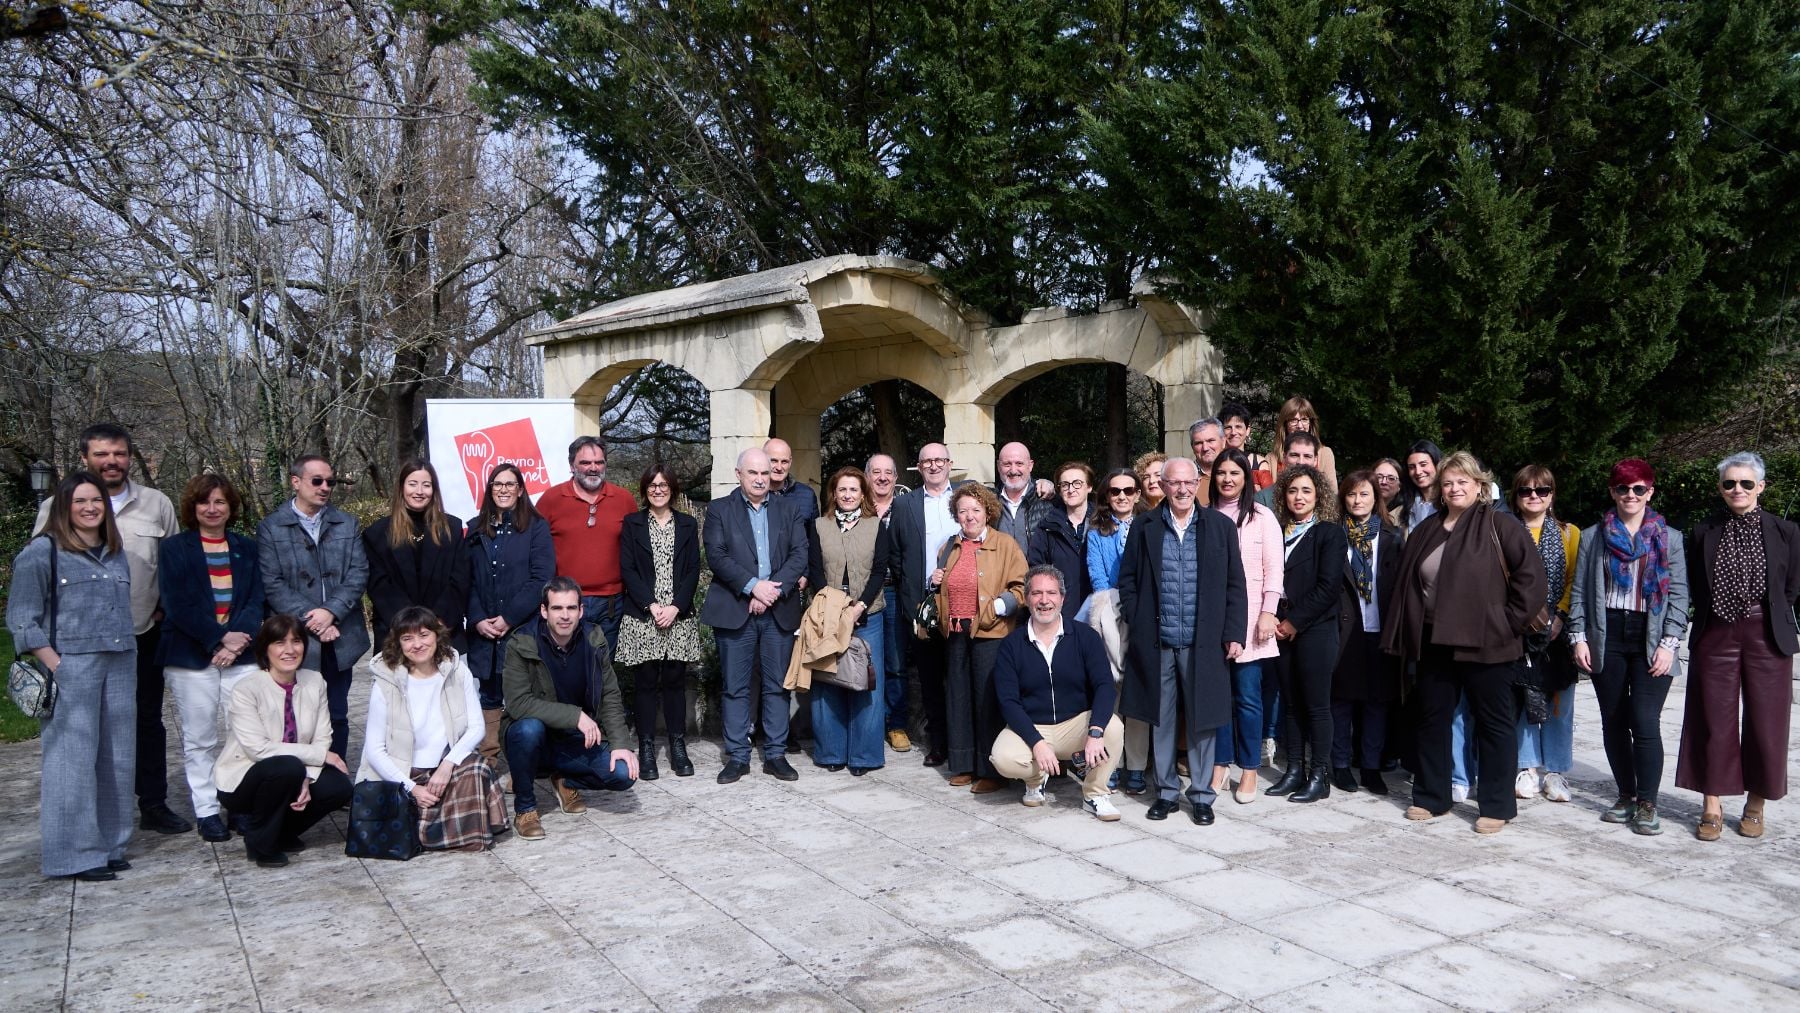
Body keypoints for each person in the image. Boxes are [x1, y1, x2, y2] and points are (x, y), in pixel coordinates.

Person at [34, 424, 186, 835]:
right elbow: (41, 572)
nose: (111, 461)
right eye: (101, 454)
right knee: (84, 729)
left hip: (141, 633)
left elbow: (174, 564)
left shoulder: (156, 504)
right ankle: (90, 815)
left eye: (119, 453)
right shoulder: (55, 508)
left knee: (146, 721)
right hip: (79, 643)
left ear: (129, 457)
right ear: (85, 458)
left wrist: (163, 610)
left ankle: (152, 803)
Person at [1383, 451, 1545, 834]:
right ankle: (1432, 796)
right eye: (1448, 483)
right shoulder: (1427, 529)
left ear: (1479, 485)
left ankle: (1496, 805)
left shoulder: (1500, 525)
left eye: (1463, 482)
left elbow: (1531, 580)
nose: (1455, 488)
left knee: (1494, 724)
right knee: (1432, 719)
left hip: (1488, 643)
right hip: (1434, 641)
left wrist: (1506, 623)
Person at [10, 473, 139, 880]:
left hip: (120, 661)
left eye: (96, 500)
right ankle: (73, 855)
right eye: (79, 501)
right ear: (63, 507)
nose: (89, 508)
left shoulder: (115, 551)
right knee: (72, 761)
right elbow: (22, 619)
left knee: (118, 758)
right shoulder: (42, 551)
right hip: (72, 665)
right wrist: (56, 665)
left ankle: (110, 845)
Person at [1117, 457, 1247, 826]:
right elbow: (1128, 580)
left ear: (1198, 484)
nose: (1182, 489)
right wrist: (1137, 617)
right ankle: (1167, 793)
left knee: (1203, 719)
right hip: (1157, 641)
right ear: (1163, 485)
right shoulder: (1144, 526)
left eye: (1188, 482)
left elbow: (1235, 584)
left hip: (1203, 642)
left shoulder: (1220, 527)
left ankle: (1202, 796)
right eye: (1174, 483)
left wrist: (1234, 633)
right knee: (1161, 719)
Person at [1676, 451, 1797, 841]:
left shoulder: (1786, 532)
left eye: (1746, 483)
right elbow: (1697, 583)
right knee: (1713, 719)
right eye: (1729, 483)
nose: (1737, 489)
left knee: (1767, 722)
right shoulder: (1703, 531)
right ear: (1720, 488)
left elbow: (1791, 587)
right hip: (1717, 633)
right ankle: (1711, 804)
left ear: (1761, 487)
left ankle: (1756, 804)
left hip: (1767, 634)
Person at [1568, 459, 1689, 836]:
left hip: (1651, 636)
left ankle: (1648, 803)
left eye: (1638, 488)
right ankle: (1626, 795)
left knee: (1645, 719)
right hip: (1608, 633)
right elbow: (1579, 591)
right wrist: (1578, 636)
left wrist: (1669, 643)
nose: (1630, 495)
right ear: (1613, 492)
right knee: (1614, 720)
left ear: (1650, 492)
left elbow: (1680, 595)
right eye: (1623, 488)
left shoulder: (1669, 537)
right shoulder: (1594, 537)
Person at [157, 474, 265, 844]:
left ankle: (239, 804)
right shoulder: (174, 549)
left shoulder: (246, 548)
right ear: (193, 507)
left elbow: (255, 599)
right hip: (191, 656)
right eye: (205, 502)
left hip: (242, 655)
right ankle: (206, 810)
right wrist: (218, 639)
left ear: (231, 507)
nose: (212, 509)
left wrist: (236, 642)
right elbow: (176, 604)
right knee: (199, 738)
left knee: (244, 733)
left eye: (220, 502)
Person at [358, 607, 507, 852]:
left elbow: (476, 728)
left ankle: (454, 831)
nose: (417, 644)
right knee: (412, 810)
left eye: (424, 635)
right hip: (403, 773)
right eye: (408, 638)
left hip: (441, 769)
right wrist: (412, 788)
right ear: (398, 644)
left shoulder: (457, 671)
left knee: (477, 768)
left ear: (437, 636)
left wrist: (447, 765)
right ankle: (437, 829)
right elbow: (374, 750)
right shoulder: (385, 683)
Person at [701, 447, 809, 783]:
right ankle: (738, 756)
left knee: (777, 686)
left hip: (778, 609)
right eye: (753, 473)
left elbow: (800, 554)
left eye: (765, 473)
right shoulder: (719, 510)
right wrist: (753, 587)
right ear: (739, 474)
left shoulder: (789, 509)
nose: (761, 479)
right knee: (735, 687)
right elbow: (717, 556)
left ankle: (776, 754)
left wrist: (771, 591)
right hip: (736, 609)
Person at [502, 578, 640, 840]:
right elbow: (518, 703)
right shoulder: (522, 642)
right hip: (536, 740)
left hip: (575, 741)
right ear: (544, 611)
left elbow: (609, 694)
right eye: (557, 608)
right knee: (528, 729)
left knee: (624, 774)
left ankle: (564, 779)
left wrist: (621, 744)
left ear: (581, 610)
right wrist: (575, 715)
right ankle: (526, 808)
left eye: (571, 608)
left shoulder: (593, 639)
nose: (564, 616)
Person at [213, 615, 353, 868]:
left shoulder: (314, 681)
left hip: (294, 771)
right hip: (244, 778)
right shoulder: (247, 688)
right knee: (286, 766)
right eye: (280, 643)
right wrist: (319, 757)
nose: (290, 650)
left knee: (338, 786)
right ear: (265, 649)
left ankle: (282, 833)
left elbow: (322, 737)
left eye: (296, 641)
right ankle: (260, 843)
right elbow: (259, 749)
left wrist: (307, 777)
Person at [990, 565, 1124, 820]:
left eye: (1051, 593)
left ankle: (1095, 793)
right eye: (1037, 593)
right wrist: (1036, 743)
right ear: (1027, 599)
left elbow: (1104, 686)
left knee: (1113, 728)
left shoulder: (1085, 637)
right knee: (1003, 758)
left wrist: (1096, 731)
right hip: (1033, 726)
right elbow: (1008, 702)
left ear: (1062, 598)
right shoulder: (1011, 645)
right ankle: (1035, 779)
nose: (1044, 600)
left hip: (1075, 725)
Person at [257, 455, 370, 758]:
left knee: (337, 714)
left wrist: (331, 612)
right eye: (317, 481)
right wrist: (314, 620)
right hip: (294, 638)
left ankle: (336, 775)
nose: (325, 487)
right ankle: (298, 777)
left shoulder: (347, 523)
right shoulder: (271, 528)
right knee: (295, 716)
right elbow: (272, 583)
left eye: (329, 482)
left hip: (340, 636)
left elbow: (358, 573)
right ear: (296, 482)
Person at [930, 482, 1028, 792]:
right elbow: (942, 588)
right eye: (963, 511)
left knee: (988, 701)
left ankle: (992, 771)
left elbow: (1021, 587)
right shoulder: (949, 546)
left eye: (975, 509)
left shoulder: (1005, 544)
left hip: (992, 632)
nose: (969, 516)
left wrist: (998, 606)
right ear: (956, 515)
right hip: (955, 632)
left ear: (988, 512)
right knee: (957, 699)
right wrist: (934, 582)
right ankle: (963, 764)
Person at [463, 462, 556, 760]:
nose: (503, 489)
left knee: (522, 696)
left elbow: (541, 578)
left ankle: (523, 765)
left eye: (509, 484)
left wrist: (508, 618)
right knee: (488, 694)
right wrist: (477, 618)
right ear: (490, 489)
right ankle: (489, 759)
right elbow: (466, 579)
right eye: (497, 484)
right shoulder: (475, 528)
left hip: (521, 628)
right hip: (484, 632)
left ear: (520, 490)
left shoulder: (536, 527)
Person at [1265, 465, 1346, 803]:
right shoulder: (1276, 530)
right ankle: (1294, 769)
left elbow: (1329, 587)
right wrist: (1275, 618)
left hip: (1315, 628)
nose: (1299, 497)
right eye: (1293, 490)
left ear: (1318, 496)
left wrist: (1294, 622)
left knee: (1316, 704)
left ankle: (1319, 775)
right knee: (1291, 704)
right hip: (1280, 626)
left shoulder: (1329, 533)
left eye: (1306, 491)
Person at [805, 466, 892, 775]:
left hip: (869, 614)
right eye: (842, 489)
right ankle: (831, 752)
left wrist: (860, 606)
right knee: (828, 679)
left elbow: (880, 570)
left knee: (866, 683)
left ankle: (864, 756)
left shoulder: (875, 526)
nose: (847, 495)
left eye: (854, 489)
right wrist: (836, 607)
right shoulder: (819, 525)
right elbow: (815, 569)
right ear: (833, 493)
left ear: (863, 494)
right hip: (827, 614)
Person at [617, 464, 702, 780]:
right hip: (644, 615)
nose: (658, 490)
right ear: (645, 490)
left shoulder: (688, 524)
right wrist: (652, 606)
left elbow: (693, 569)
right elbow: (628, 569)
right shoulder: (633, 524)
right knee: (645, 684)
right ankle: (647, 747)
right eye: (652, 485)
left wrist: (676, 607)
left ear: (673, 489)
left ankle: (678, 746)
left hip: (677, 616)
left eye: (663, 485)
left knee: (675, 682)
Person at [1208, 448, 1283, 802]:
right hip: (1213, 620)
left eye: (1234, 473)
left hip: (1252, 620)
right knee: (1218, 698)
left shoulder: (1262, 517)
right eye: (1221, 473)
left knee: (1248, 698)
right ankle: (1220, 764)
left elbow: (1274, 569)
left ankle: (1250, 768)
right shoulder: (1205, 515)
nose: (1227, 479)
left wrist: (1269, 611)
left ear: (1246, 478)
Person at [1508, 466, 1581, 806]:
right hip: (1518, 628)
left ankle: (1556, 769)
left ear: (1552, 495)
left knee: (1558, 701)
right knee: (1523, 697)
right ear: (1516, 496)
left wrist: (1560, 616)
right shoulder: (1505, 530)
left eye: (1542, 490)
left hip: (1557, 631)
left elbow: (1574, 579)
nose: (1534, 496)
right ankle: (1526, 766)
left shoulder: (1569, 533)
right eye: (1526, 490)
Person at [1329, 470, 1402, 794]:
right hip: (1344, 630)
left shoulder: (1391, 538)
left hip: (1380, 629)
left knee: (1377, 702)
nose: (1357, 501)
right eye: (1351, 494)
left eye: (1364, 494)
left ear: (1376, 498)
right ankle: (1341, 764)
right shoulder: (1333, 536)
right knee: (1341, 702)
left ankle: (1371, 767)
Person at [889, 442, 960, 766]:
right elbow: (896, 555)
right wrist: (912, 595)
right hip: (924, 606)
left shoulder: (966, 497)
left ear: (949, 464)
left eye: (939, 460)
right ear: (919, 467)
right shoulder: (904, 504)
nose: (933, 466)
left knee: (959, 678)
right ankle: (939, 744)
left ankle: (964, 745)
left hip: (963, 604)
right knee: (930, 681)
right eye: (927, 461)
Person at [535, 436, 635, 650]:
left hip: (611, 604)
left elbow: (635, 551)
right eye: (585, 462)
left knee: (602, 665)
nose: (593, 468)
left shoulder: (624, 499)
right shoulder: (551, 499)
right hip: (564, 603)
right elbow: (534, 550)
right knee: (563, 663)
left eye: (599, 462)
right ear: (572, 466)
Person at [362, 459, 468, 655]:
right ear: (402, 487)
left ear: (434, 490)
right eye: (413, 484)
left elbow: (460, 579)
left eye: (426, 485)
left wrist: (435, 623)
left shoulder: (452, 528)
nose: (419, 491)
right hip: (396, 634)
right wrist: (410, 626)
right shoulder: (377, 534)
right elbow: (379, 585)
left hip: (443, 632)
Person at [1086, 468, 1147, 792]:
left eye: (1128, 490)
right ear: (1106, 496)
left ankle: (1136, 766)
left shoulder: (1149, 525)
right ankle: (1112, 763)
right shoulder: (1097, 531)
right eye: (1114, 491)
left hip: (1144, 613)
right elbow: (1097, 575)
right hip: (1109, 610)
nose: (1121, 496)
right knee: (1111, 689)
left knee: (1138, 691)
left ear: (1138, 494)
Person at [867, 453, 913, 752]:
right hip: (864, 594)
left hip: (895, 591)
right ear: (867, 476)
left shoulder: (906, 508)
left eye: (888, 472)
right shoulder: (856, 507)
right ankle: (870, 724)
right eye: (876, 472)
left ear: (896, 478)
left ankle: (896, 725)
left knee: (896, 662)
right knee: (866, 661)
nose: (882, 477)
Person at [1027, 462, 1097, 623]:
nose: (1071, 489)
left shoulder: (1104, 524)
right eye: (1065, 485)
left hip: (1099, 612)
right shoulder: (1047, 527)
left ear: (1089, 487)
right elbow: (1036, 570)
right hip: (1061, 615)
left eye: (1077, 483)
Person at [993, 442, 1055, 547]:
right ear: (999, 467)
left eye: (1019, 464)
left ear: (1030, 466)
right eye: (1007, 464)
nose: (1013, 470)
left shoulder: (1048, 500)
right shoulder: (988, 501)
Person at [1276, 397, 1338, 486]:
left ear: (1311, 423)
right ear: (1285, 424)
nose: (1300, 426)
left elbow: (1332, 491)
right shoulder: (1272, 458)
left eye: (1304, 419)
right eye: (1293, 420)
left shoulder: (1325, 453)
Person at [1219, 401, 1273, 490]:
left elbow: (1268, 496)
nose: (1233, 432)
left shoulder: (1259, 464)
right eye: (1228, 427)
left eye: (1238, 427)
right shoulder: (1216, 460)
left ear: (1247, 430)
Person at [764, 437, 821, 521]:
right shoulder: (753, 494)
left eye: (784, 462)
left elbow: (813, 529)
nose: (779, 467)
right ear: (762, 460)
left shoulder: (807, 495)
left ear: (790, 462)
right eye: (774, 461)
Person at [1399, 440, 1443, 534]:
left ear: (1437, 464)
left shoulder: (1451, 502)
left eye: (1423, 464)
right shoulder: (1403, 508)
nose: (1418, 472)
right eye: (1412, 467)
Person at [1189, 418, 1224, 507]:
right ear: (1192, 447)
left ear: (1223, 441)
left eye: (1210, 441)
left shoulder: (1236, 475)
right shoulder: (1184, 478)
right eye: (1199, 443)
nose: (1205, 448)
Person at [1372, 458, 1406, 531]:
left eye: (1391, 478)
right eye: (1378, 477)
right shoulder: (1358, 508)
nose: (1384, 482)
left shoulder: (1406, 514)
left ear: (1399, 486)